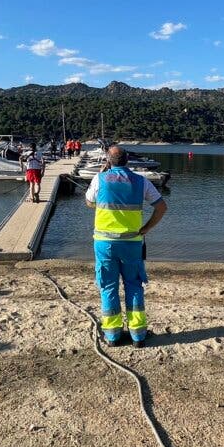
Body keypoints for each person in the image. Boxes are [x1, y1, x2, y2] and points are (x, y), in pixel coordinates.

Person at [85, 145, 168, 347]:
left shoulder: (100, 179)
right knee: (133, 285)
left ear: (108, 160)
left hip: (105, 243)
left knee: (108, 286)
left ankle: (112, 335)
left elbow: (89, 202)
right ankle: (138, 335)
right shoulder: (141, 181)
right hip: (132, 243)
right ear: (127, 160)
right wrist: (146, 228)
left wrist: (102, 175)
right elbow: (161, 207)